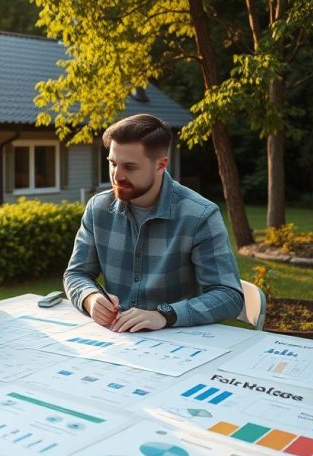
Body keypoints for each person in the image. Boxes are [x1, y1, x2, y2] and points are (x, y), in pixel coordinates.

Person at [65, 114, 243, 333]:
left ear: (161, 165)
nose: (116, 176)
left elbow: (229, 296)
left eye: (130, 167)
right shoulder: (97, 208)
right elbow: (76, 274)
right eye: (112, 164)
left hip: (178, 344)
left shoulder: (199, 215)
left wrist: (164, 315)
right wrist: (90, 298)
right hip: (116, 341)